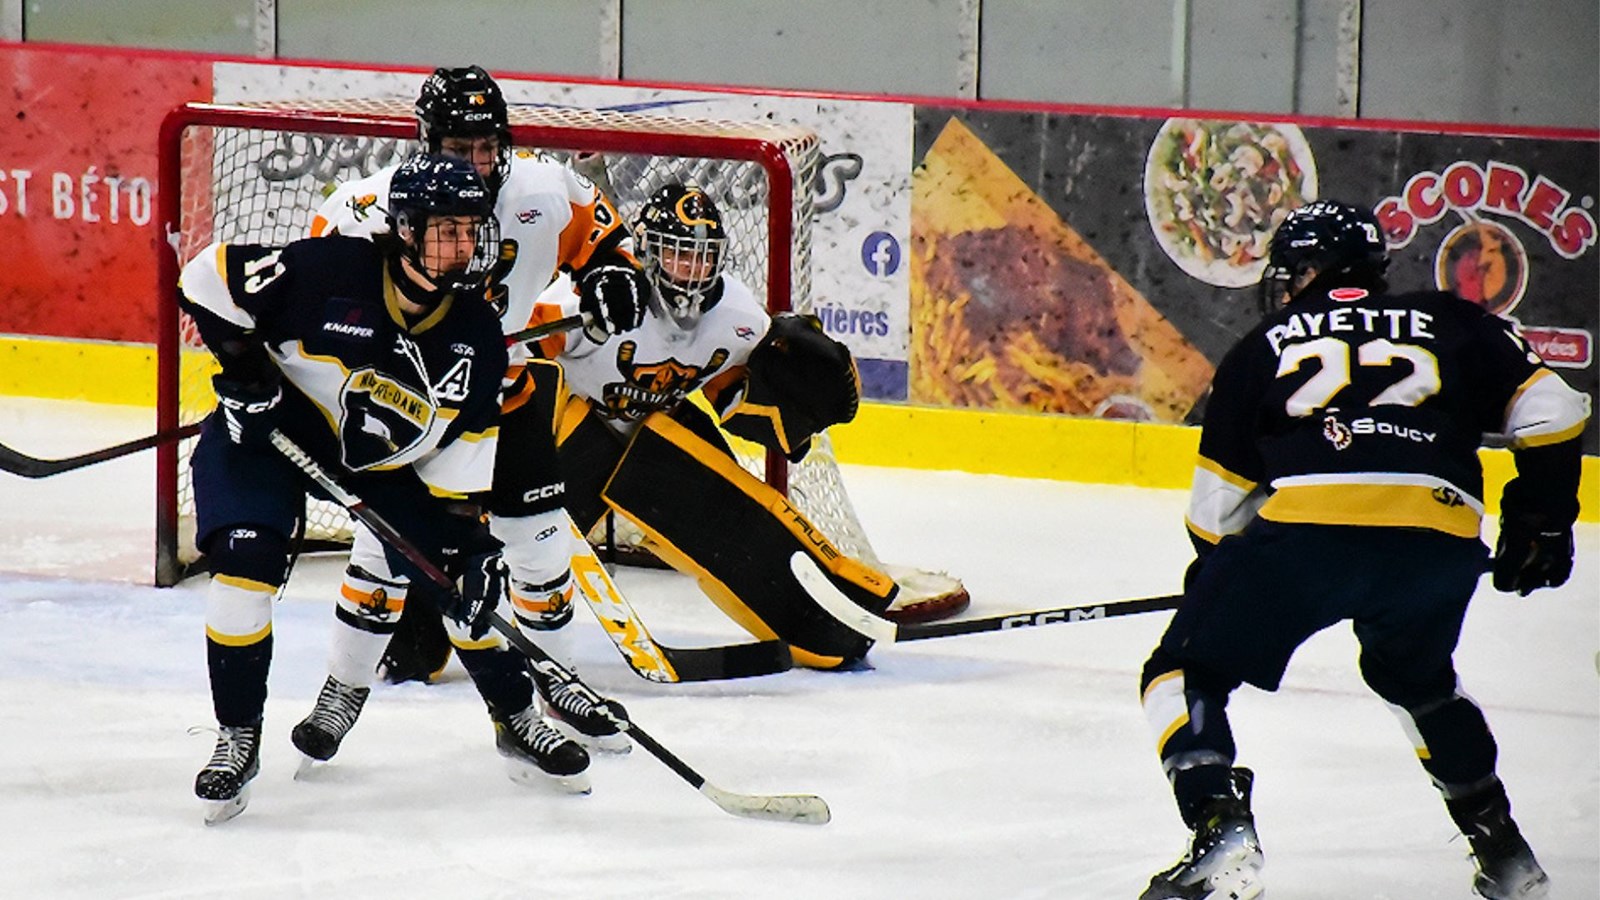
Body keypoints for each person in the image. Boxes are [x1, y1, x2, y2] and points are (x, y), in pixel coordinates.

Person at [1136, 199, 1588, 900]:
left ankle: (1220, 832)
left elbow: (1216, 513)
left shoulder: (1265, 343)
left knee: (1180, 671)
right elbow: (1556, 412)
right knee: (1418, 680)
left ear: (1306, 271)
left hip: (1305, 536)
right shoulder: (1455, 319)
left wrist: (1220, 588)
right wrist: (1543, 519)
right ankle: (1506, 854)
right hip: (1438, 538)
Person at [179, 154, 590, 824]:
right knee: (244, 570)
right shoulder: (327, 270)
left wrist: (463, 548)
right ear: (404, 228)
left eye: (471, 230)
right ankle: (238, 736)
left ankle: (516, 716)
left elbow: (459, 470)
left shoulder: (477, 337)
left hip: (376, 468)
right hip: (266, 441)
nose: (464, 247)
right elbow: (205, 276)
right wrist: (246, 372)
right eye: (447, 230)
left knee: (460, 582)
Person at [305, 65, 649, 754]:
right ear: (426, 141)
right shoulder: (368, 209)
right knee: (382, 552)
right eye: (460, 149)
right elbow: (312, 300)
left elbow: (609, 244)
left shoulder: (543, 191)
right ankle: (343, 688)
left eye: (487, 146)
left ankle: (560, 682)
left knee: (542, 550)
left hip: (511, 398)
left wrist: (616, 276)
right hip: (414, 415)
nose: (478, 162)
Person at [514, 182, 895, 671]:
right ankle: (423, 622)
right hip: (570, 432)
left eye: (702, 257)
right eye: (678, 255)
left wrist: (787, 398)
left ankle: (829, 617)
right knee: (508, 552)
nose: (692, 272)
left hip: (655, 433)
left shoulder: (736, 316)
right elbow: (520, 361)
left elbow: (733, 396)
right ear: (648, 252)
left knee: (740, 524)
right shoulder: (598, 294)